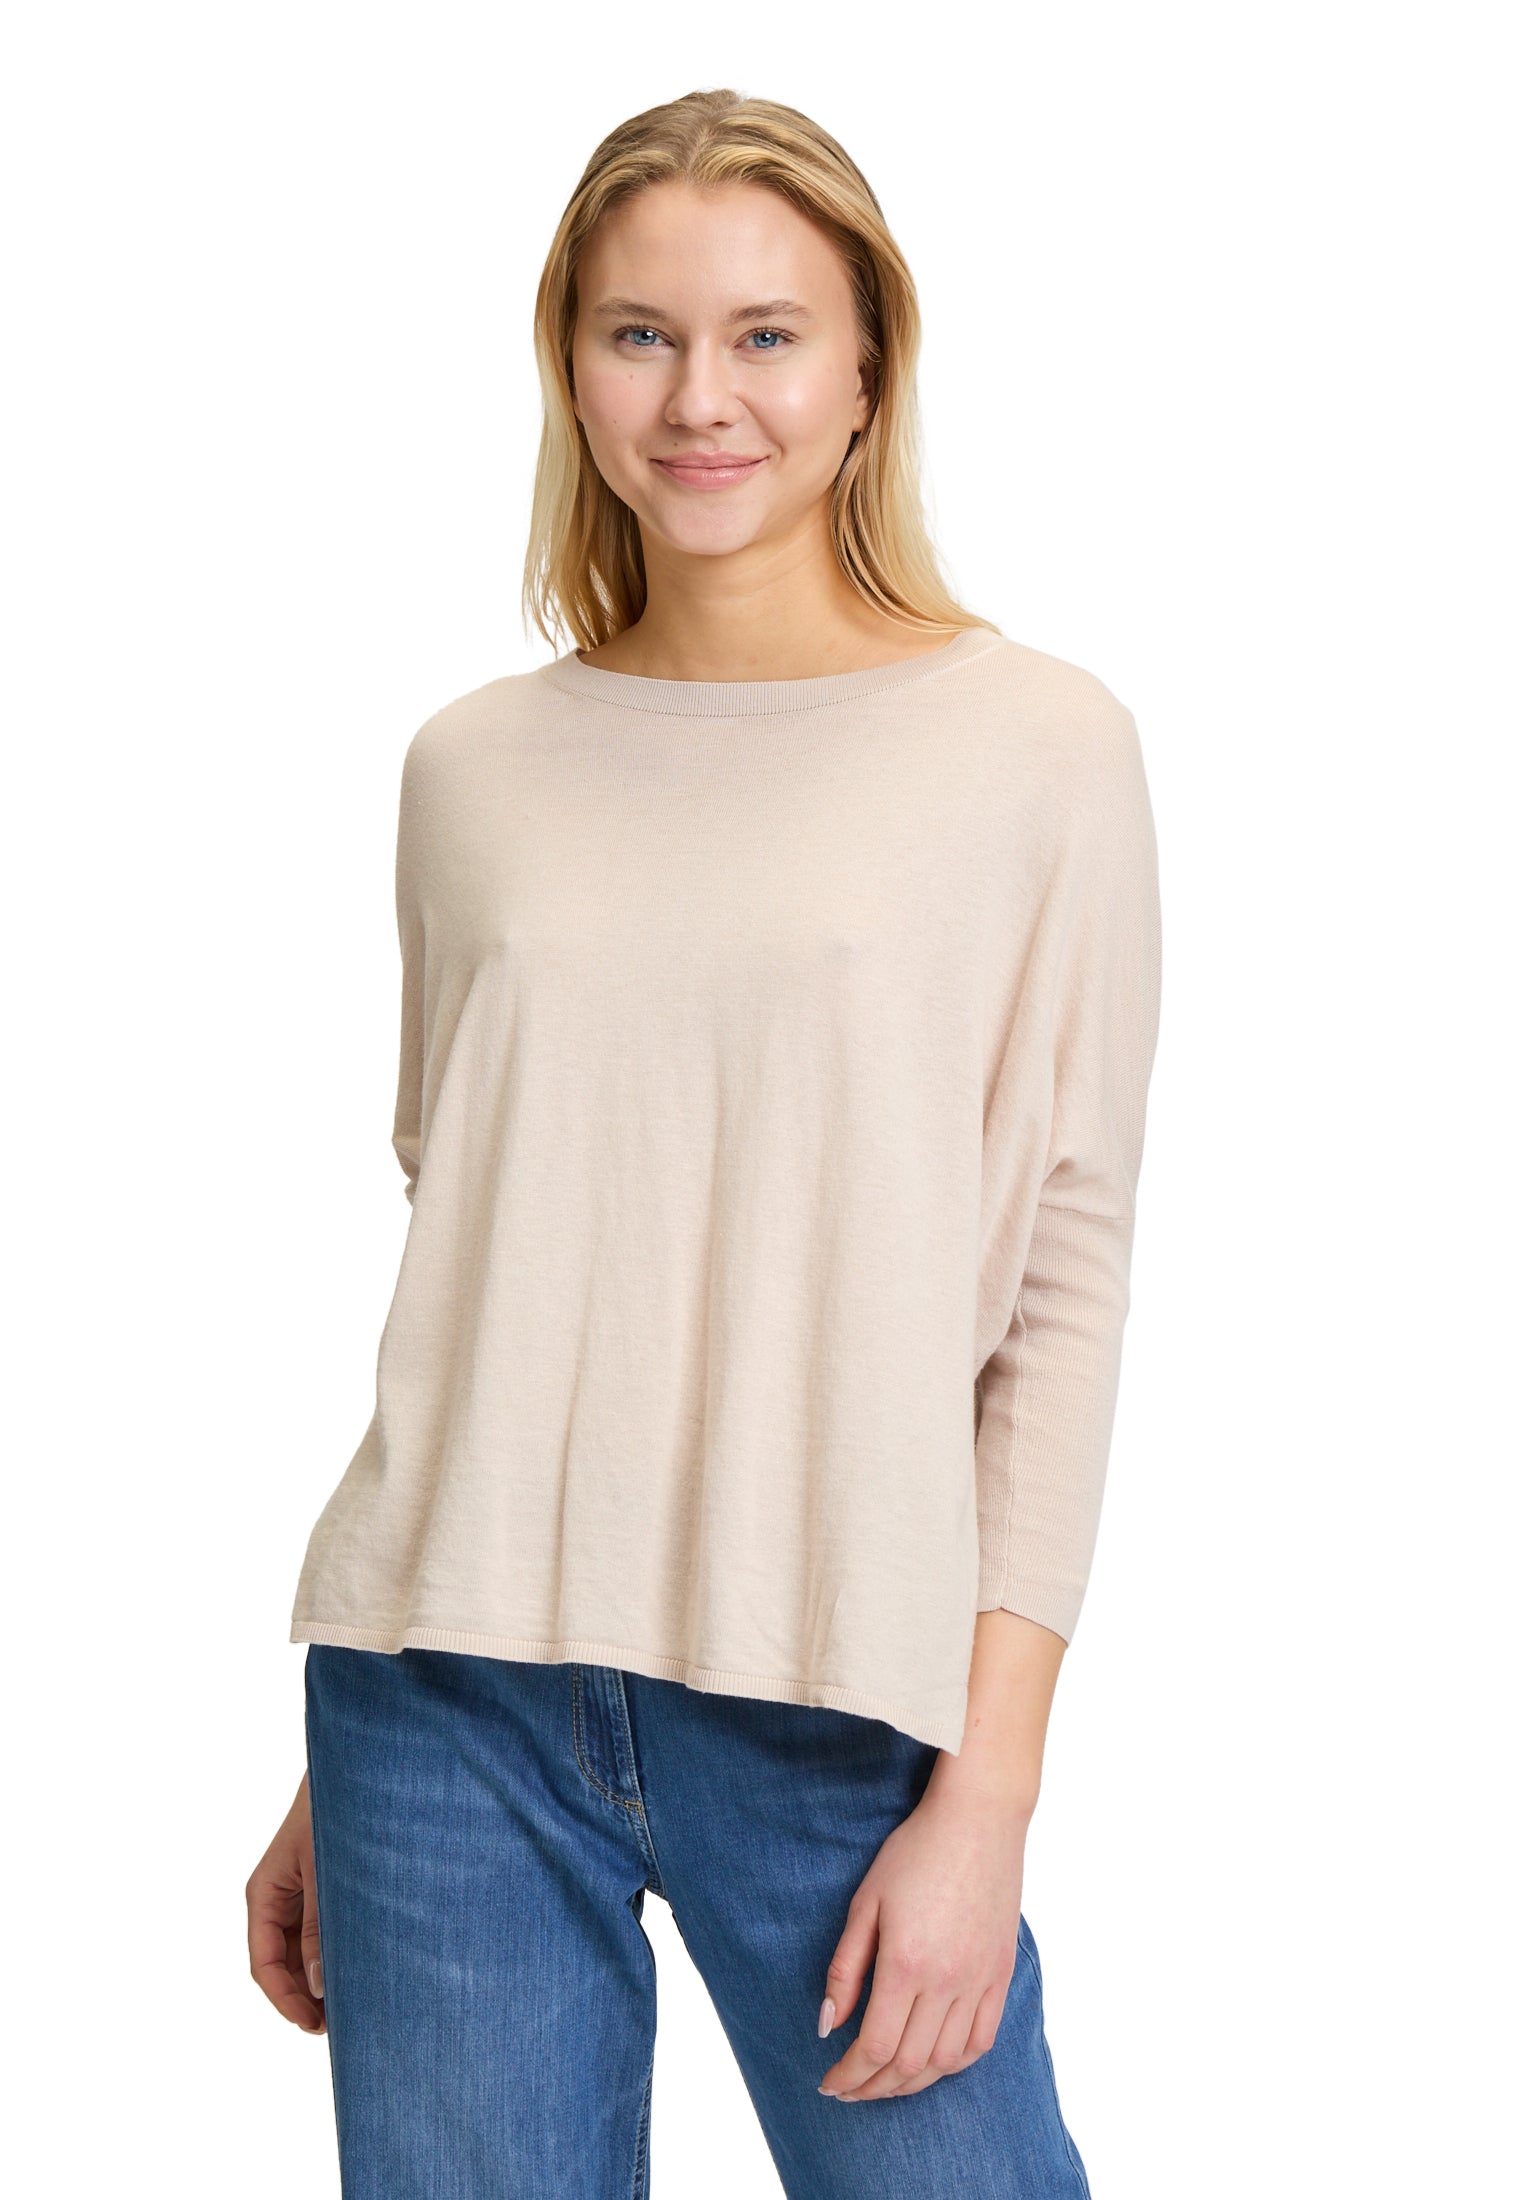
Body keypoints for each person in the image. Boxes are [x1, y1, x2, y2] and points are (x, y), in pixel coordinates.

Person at [246, 86, 1161, 2199]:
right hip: (439, 1711)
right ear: (570, 366)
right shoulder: (472, 766)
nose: (699, 398)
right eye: (639, 333)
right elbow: (482, 1238)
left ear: (867, 372)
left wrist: (991, 1794)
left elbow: (1065, 1279)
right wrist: (334, 1768)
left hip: (841, 1699)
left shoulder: (1034, 745)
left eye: (765, 334)